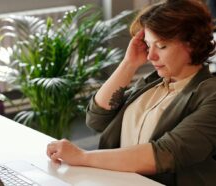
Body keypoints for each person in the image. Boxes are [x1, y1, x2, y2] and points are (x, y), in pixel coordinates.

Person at [47, 0, 216, 185]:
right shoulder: (153, 83)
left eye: (161, 46)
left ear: (192, 43)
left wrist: (82, 157)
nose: (151, 56)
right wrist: (129, 64)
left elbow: (166, 153)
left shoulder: (210, 94)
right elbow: (97, 119)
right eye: (147, 45)